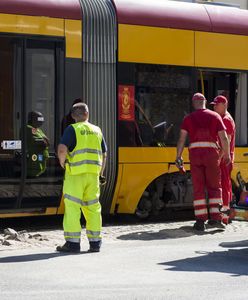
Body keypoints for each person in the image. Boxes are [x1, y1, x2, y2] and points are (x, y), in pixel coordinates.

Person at [56, 102, 107, 253]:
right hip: (93, 176)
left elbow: (62, 149)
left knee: (73, 208)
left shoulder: (72, 129)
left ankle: (72, 243)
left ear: (72, 116)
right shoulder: (97, 130)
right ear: (87, 114)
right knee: (93, 208)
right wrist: (100, 174)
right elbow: (104, 155)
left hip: (75, 175)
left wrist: (62, 163)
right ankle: (95, 243)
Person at [176, 93, 230, 231]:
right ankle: (216, 219)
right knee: (214, 186)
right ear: (205, 102)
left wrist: (178, 156)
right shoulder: (215, 116)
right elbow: (224, 138)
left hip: (195, 156)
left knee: (198, 188)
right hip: (212, 155)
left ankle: (200, 221)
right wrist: (227, 154)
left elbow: (181, 139)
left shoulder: (188, 118)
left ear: (194, 103)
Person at [210, 95, 236, 224]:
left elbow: (227, 141)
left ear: (224, 105)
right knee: (225, 185)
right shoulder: (224, 117)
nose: (214, 107)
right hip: (225, 157)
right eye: (213, 105)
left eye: (216, 105)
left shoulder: (226, 119)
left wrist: (218, 159)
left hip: (224, 158)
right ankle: (225, 215)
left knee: (224, 186)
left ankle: (224, 216)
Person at [26, 111, 49, 177]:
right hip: (35, 157)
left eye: (42, 119)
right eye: (39, 119)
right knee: (35, 170)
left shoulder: (37, 129)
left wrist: (45, 141)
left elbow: (46, 140)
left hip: (40, 155)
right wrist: (44, 141)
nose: (42, 121)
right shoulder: (29, 128)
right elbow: (41, 141)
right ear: (32, 119)